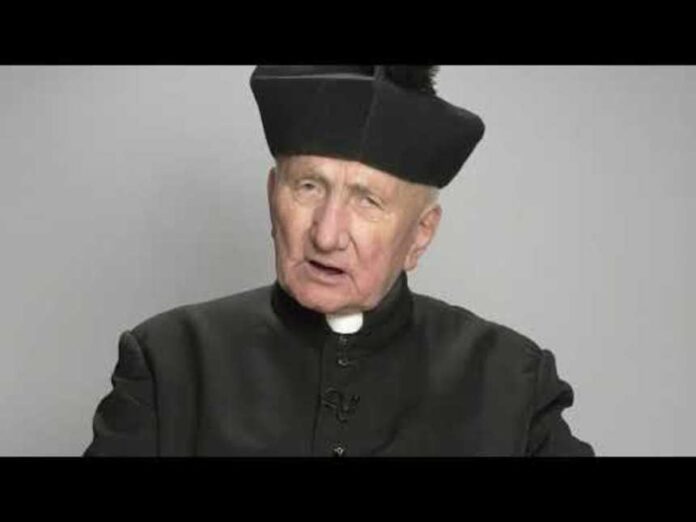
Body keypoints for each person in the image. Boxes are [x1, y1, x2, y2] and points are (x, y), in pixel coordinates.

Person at [84, 65, 594, 456]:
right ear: (273, 196)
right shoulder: (166, 362)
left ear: (420, 235)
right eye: (308, 187)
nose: (326, 236)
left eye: (367, 201)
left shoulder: (513, 384)